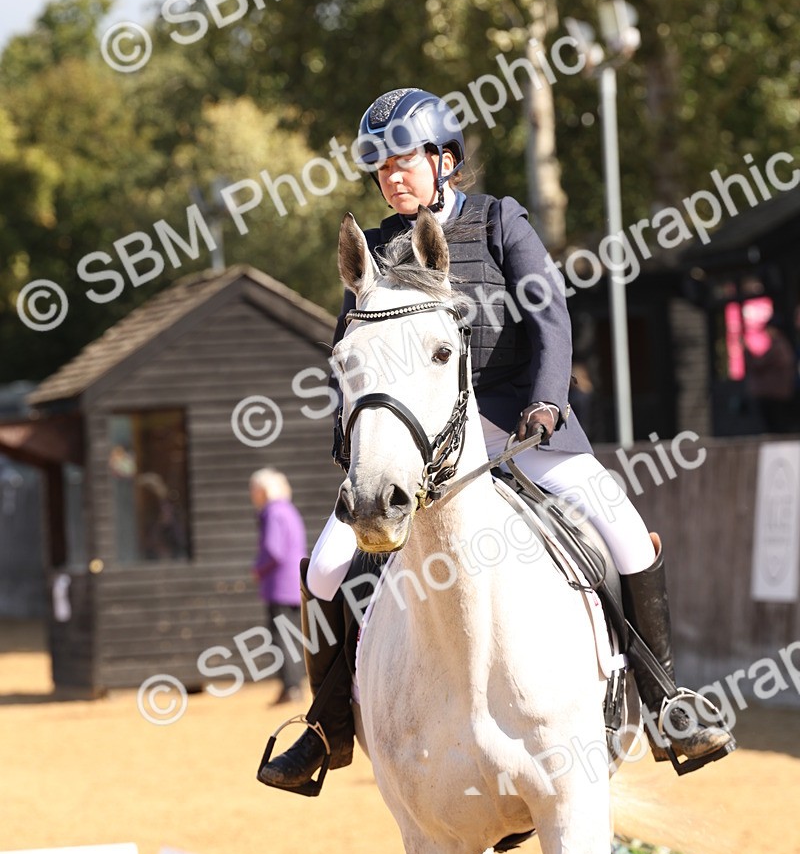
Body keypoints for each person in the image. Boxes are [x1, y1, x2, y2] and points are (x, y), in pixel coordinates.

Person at [258, 87, 735, 792]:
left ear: (444, 160)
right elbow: (348, 363)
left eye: (404, 162)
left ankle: (668, 704)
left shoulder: (499, 222)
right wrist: (357, 451)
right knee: (327, 568)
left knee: (627, 535)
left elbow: (550, 319)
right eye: (380, 168)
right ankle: (327, 728)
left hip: (524, 430)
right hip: (424, 453)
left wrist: (547, 401)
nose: (392, 177)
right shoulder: (378, 256)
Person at [250, 468, 308, 704]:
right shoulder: (288, 510)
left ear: (263, 491)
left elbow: (274, 549)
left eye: (253, 490)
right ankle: (295, 685)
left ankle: (290, 687)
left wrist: (258, 569)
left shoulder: (272, 513)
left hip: (279, 584)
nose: (252, 496)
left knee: (281, 637)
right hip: (294, 582)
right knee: (292, 635)